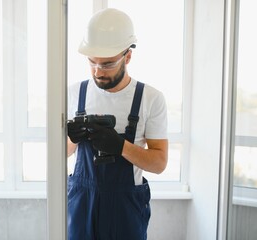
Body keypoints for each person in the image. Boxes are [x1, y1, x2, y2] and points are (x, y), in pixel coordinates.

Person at [67, 8, 168, 240]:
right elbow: (57, 156)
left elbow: (159, 163)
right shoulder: (74, 94)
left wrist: (120, 146)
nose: (98, 71)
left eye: (107, 64)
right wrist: (72, 139)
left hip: (125, 208)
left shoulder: (150, 99)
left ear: (128, 56)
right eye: (92, 62)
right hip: (82, 202)